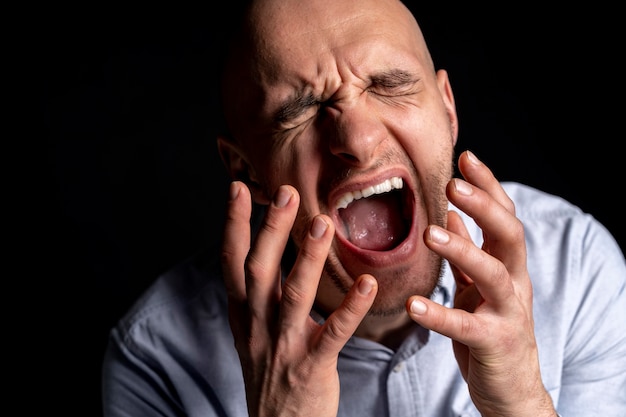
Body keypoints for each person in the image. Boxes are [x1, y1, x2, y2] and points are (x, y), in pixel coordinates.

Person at [101, 0, 626, 415]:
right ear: (246, 171)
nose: (358, 138)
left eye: (389, 86)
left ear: (447, 109)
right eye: (299, 113)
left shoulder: (575, 269)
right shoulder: (157, 360)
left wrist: (522, 406)